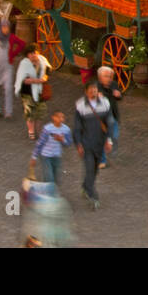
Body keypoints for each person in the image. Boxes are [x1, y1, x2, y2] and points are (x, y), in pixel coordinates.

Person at [74, 80, 114, 209]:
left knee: (95, 170)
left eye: (95, 90)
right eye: (91, 90)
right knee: (90, 168)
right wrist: (78, 144)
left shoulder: (105, 104)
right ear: (86, 92)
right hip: (87, 144)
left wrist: (109, 140)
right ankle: (93, 196)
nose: (93, 92)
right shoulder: (80, 106)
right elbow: (77, 127)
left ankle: (86, 186)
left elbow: (109, 123)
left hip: (99, 143)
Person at [0, 18, 25, 119]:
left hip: (7, 67)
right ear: (0, 27)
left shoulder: (11, 37)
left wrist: (13, 54)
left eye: (7, 27)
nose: (6, 29)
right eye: (4, 27)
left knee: (8, 89)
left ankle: (8, 112)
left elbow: (22, 44)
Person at [14, 43, 49, 140]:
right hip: (27, 93)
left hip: (40, 92)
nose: (33, 55)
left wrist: (44, 78)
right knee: (30, 113)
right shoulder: (24, 64)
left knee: (40, 113)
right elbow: (24, 80)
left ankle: (39, 130)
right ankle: (31, 131)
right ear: (27, 55)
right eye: (31, 53)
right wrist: (39, 81)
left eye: (35, 52)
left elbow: (47, 72)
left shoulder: (43, 61)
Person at [31, 110, 73, 189]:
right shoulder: (47, 129)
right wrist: (34, 156)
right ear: (53, 118)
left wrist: (62, 140)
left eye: (62, 117)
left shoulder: (66, 129)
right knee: (49, 177)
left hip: (57, 155)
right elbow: (40, 143)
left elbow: (69, 143)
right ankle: (48, 194)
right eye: (58, 117)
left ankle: (51, 192)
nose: (60, 119)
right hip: (46, 155)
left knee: (57, 177)